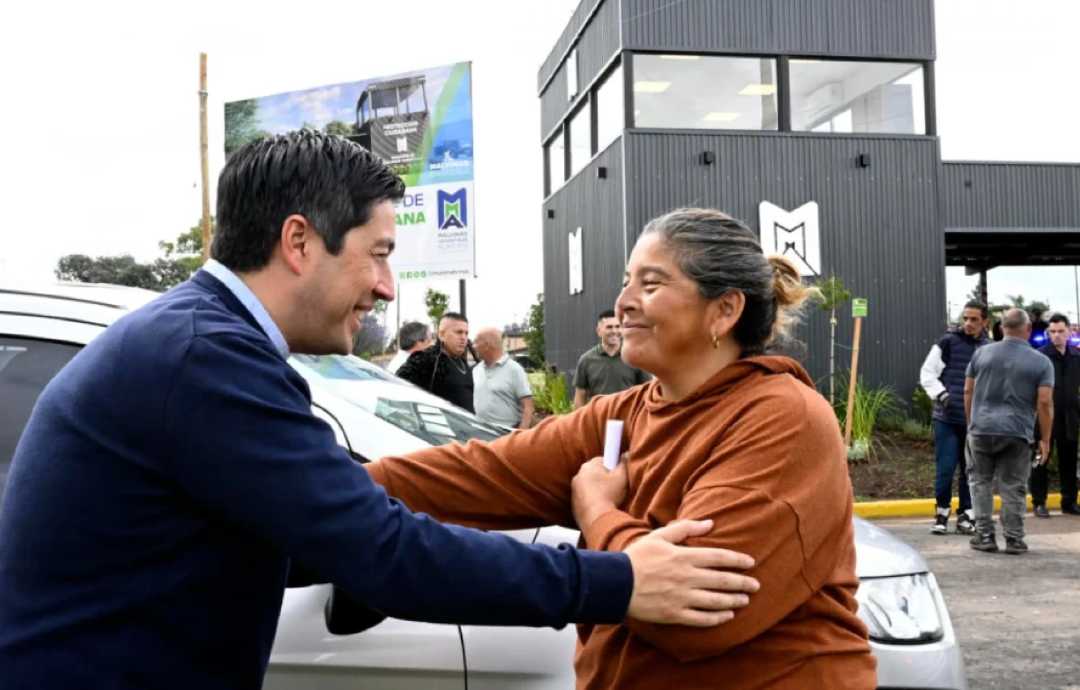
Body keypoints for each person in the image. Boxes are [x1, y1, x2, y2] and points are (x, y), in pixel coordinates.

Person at [0, 133, 761, 690]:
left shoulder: (204, 343)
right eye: (381, 252)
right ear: (299, 241)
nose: (389, 289)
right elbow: (380, 550)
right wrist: (616, 580)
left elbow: (315, 525)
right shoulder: (203, 356)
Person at [368, 208, 876, 689]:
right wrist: (328, 491)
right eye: (626, 281)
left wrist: (597, 511)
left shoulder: (781, 418)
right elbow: (480, 474)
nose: (624, 302)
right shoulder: (625, 412)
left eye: (650, 284)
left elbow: (692, 615)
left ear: (724, 310)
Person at [964, 308, 1055, 555]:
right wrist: (1045, 439)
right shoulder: (1041, 362)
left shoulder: (981, 354)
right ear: (1027, 330)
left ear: (1002, 328)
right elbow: (1044, 402)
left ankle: (984, 535)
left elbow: (968, 391)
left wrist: (972, 423)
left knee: (979, 481)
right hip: (1017, 431)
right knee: (1013, 485)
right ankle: (1014, 539)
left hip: (981, 429)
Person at [919, 301, 989, 535]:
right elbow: (927, 373)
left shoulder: (988, 348)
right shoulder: (947, 342)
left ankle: (966, 516)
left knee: (971, 470)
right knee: (946, 468)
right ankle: (941, 514)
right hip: (947, 417)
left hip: (974, 420)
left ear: (984, 322)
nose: (968, 323)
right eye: (965, 318)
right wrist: (942, 395)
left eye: (974, 319)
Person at [1031, 313, 1080, 517]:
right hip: (1045, 415)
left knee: (1068, 460)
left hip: (1070, 416)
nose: (1057, 335)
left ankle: (1069, 501)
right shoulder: (1039, 356)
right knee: (1041, 460)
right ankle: (1039, 502)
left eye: (1061, 331)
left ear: (1069, 332)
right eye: (1052, 332)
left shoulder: (1077, 356)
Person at [397, 312, 475, 411]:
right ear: (441, 334)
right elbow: (398, 388)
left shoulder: (461, 362)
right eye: (459, 332)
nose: (464, 338)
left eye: (466, 333)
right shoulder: (427, 358)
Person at [573, 309, 650, 408]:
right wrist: (581, 421)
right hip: (598, 420)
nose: (614, 331)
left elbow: (647, 391)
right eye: (609, 327)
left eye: (618, 327)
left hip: (628, 419)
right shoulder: (586, 360)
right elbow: (580, 395)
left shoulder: (635, 357)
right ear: (599, 331)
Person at [472, 327, 534, 430]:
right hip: (481, 433)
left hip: (506, 434)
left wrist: (520, 435)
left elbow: (528, 407)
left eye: (476, 342)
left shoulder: (514, 370)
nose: (473, 347)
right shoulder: (476, 370)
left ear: (487, 345)